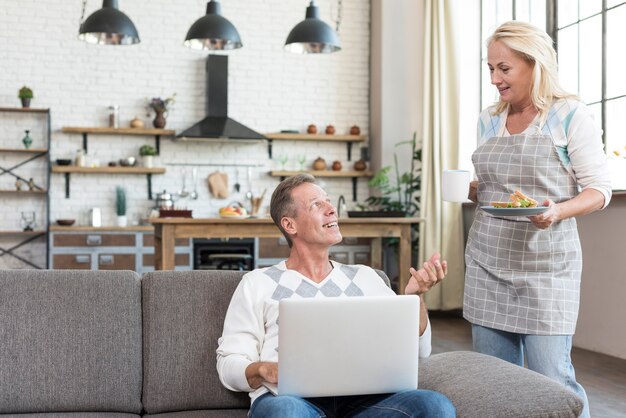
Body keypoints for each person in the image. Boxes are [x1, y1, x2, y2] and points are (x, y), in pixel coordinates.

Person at [464, 21, 612, 418]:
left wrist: (557, 210)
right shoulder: (488, 120)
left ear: (535, 64)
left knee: (552, 379)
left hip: (548, 266)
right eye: (490, 68)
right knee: (494, 382)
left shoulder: (569, 115)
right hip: (488, 261)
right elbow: (489, 185)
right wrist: (473, 189)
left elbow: (600, 189)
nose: (494, 78)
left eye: (504, 69)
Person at [217, 173, 456, 418]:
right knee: (284, 412)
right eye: (316, 205)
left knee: (435, 406)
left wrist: (415, 298)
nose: (331, 209)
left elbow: (420, 351)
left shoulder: (365, 277)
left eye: (328, 201)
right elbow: (229, 364)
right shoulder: (258, 283)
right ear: (290, 225)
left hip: (366, 402)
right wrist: (264, 370)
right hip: (291, 400)